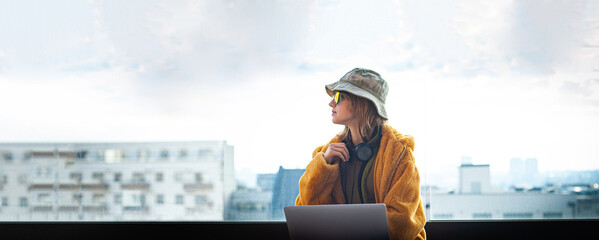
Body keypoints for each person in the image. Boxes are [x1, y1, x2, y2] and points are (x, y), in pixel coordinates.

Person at [295, 68, 426, 240]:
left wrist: (342, 231)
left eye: (337, 97)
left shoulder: (400, 156)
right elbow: (306, 211)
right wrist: (324, 166)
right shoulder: (326, 155)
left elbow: (402, 223)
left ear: (361, 102)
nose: (331, 103)